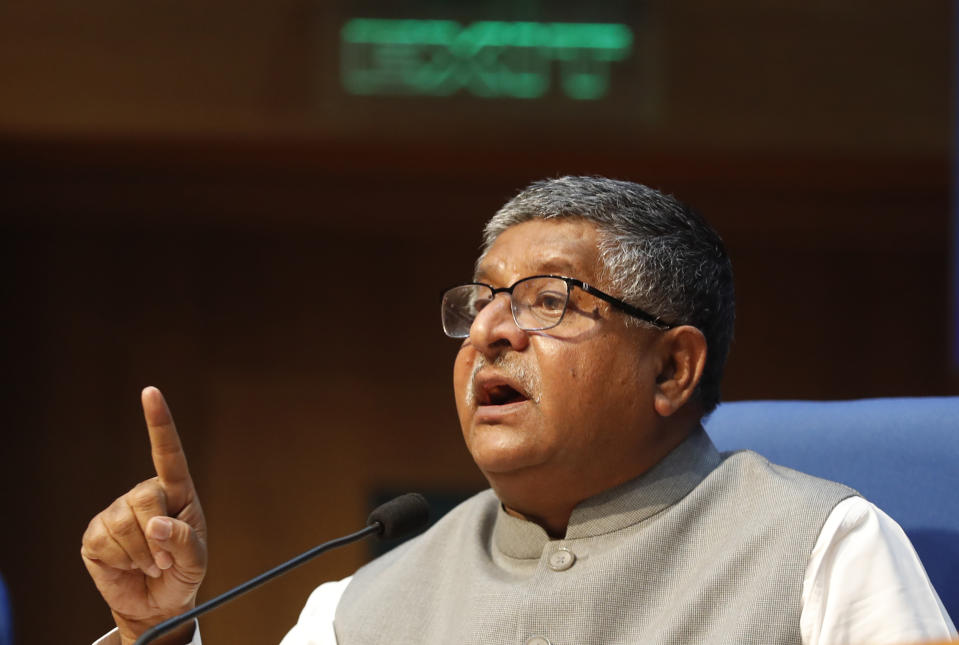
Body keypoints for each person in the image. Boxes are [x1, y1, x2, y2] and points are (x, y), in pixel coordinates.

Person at [84, 176, 956, 645]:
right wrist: (152, 631)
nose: (489, 333)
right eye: (480, 302)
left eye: (547, 302)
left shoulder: (822, 547)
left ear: (672, 368)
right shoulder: (360, 607)